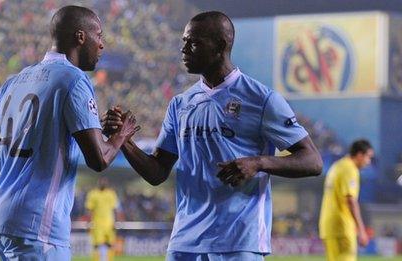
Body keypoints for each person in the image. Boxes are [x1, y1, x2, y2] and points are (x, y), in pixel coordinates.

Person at [102, 11, 323, 260]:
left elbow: (312, 161)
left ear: (220, 46)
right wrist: (124, 140)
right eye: (184, 42)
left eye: (193, 43)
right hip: (184, 243)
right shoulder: (180, 104)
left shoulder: (261, 99)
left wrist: (259, 162)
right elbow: (157, 172)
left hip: (238, 242)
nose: (184, 49)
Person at [0, 5, 138, 260]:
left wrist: (18, 173)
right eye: (99, 35)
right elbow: (99, 159)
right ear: (80, 37)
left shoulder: (15, 80)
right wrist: (122, 134)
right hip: (37, 226)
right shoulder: (74, 79)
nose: (102, 44)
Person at [319, 139, 374, 261]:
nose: (368, 162)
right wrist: (361, 229)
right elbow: (350, 200)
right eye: (368, 157)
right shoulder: (350, 169)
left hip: (328, 226)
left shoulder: (337, 166)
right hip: (342, 227)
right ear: (360, 155)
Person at [85, 177, 120, 261]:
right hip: (97, 223)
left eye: (104, 182)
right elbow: (89, 209)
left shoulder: (111, 194)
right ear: (98, 183)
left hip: (109, 223)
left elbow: (115, 209)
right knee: (97, 244)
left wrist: (116, 222)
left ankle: (109, 259)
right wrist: (89, 222)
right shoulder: (92, 194)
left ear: (107, 183)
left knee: (110, 244)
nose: (103, 183)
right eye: (101, 182)